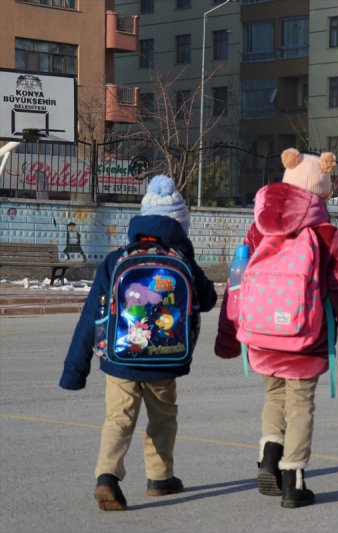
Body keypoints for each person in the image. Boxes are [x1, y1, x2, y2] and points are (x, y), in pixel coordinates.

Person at [214, 149, 338, 509]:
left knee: (273, 396)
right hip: (306, 337)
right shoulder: (327, 234)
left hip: (260, 334)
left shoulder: (259, 227)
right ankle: (293, 479)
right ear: (322, 191)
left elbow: (238, 283)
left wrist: (228, 335)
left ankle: (269, 454)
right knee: (300, 404)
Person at [59, 174, 218, 510]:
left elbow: (91, 316)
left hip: (120, 359)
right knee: (162, 418)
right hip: (165, 359)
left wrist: (75, 370)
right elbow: (207, 300)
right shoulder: (182, 260)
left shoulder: (117, 259)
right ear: (179, 224)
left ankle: (107, 478)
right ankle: (160, 478)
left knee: (118, 418)